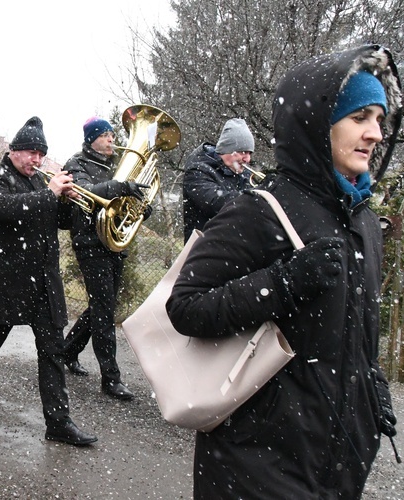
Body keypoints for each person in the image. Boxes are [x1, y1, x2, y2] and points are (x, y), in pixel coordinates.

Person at [166, 44, 400, 499]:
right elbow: (186, 306)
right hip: (255, 464)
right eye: (358, 118)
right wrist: (284, 282)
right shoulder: (261, 210)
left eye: (379, 118)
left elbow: (360, 329)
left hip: (339, 463)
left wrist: (372, 390)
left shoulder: (366, 222)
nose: (374, 133)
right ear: (317, 124)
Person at [0, 116, 97, 446]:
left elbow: (60, 221)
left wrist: (68, 203)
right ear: (14, 150)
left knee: (53, 354)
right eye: (31, 152)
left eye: (41, 154)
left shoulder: (42, 184)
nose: (37, 160)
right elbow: (4, 209)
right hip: (7, 282)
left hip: (43, 284)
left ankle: (58, 422)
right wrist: (50, 194)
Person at [61, 117, 150, 400]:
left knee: (103, 304)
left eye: (113, 134)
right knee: (104, 310)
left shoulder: (113, 166)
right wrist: (122, 187)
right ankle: (111, 379)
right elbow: (88, 193)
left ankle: (67, 351)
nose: (112, 139)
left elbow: (121, 201)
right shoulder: (76, 164)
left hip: (113, 245)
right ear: (91, 139)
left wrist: (140, 208)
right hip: (90, 243)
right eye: (106, 135)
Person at [182, 117, 254, 241]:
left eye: (249, 153)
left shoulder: (244, 173)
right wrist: (256, 196)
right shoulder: (197, 171)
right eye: (243, 152)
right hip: (205, 248)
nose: (247, 159)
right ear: (228, 149)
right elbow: (215, 203)